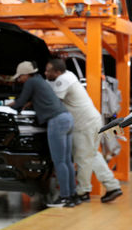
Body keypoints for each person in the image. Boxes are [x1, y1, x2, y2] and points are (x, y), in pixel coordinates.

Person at [45, 59, 123, 203]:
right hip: (91, 120)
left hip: (84, 124)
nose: (46, 73)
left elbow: (54, 102)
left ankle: (83, 192)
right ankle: (112, 186)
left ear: (57, 72)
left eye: (48, 70)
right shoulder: (68, 75)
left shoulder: (63, 80)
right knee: (92, 155)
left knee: (83, 158)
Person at [9, 61, 77, 207]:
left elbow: (20, 101)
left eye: (20, 77)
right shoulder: (40, 81)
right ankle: (72, 195)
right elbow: (42, 98)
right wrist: (32, 103)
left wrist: (7, 105)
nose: (19, 80)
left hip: (56, 122)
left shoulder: (31, 83)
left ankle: (64, 197)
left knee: (59, 162)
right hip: (67, 118)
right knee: (66, 161)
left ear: (26, 75)